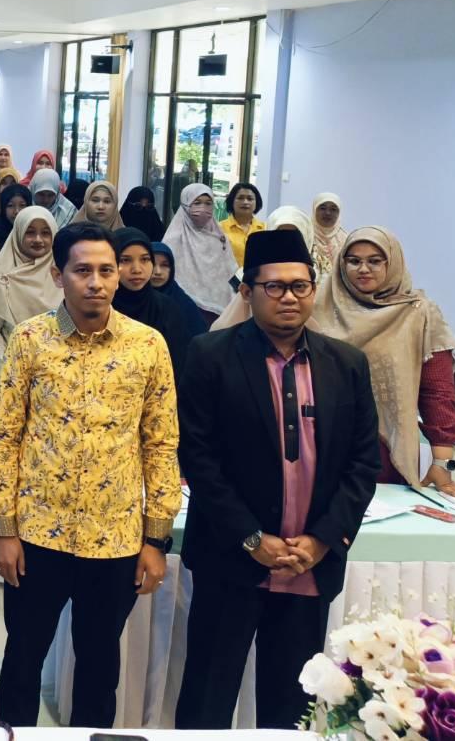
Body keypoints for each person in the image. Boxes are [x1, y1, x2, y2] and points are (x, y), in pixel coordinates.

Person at [175, 229, 380, 729]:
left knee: (291, 707)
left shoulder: (346, 363)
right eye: (275, 286)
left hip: (309, 563)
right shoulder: (210, 355)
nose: (290, 297)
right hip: (231, 559)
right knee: (207, 699)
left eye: (300, 285)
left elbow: (362, 462)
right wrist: (251, 538)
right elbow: (198, 458)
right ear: (248, 292)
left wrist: (322, 540)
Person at [0, 223, 181, 728]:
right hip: (37, 534)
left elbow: (161, 444)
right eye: (82, 271)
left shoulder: (147, 345)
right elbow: (4, 438)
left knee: (98, 667)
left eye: (106, 271)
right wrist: (3, 530)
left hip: (115, 538)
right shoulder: (30, 340)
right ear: (59, 275)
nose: (96, 282)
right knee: (22, 658)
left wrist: (155, 539)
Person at [316, 226, 455, 497]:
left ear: (392, 262)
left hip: (384, 447)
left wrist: (442, 464)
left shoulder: (418, 313)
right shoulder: (319, 305)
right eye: (354, 261)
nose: (363, 269)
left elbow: (437, 392)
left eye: (375, 261)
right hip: (317, 441)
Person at [0, 205, 60, 375]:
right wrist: (10, 370)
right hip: (13, 370)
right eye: (30, 232)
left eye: (45, 233)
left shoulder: (63, 275)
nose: (38, 239)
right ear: (18, 233)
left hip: (59, 372)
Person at [111, 227, 195, 375]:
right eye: (125, 260)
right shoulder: (100, 308)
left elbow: (179, 366)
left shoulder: (167, 309)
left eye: (145, 259)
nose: (137, 269)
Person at [163, 183, 239, 323]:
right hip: (183, 307)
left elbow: (230, 270)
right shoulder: (174, 238)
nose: (203, 208)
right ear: (185, 205)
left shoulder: (219, 237)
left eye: (208, 203)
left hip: (218, 310)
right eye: (197, 203)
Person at [148, 240, 209, 342]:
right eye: (152, 264)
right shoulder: (135, 300)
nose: (158, 272)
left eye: (164, 265)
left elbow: (201, 339)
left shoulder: (182, 302)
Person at [221, 181, 266, 266]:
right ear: (232, 201)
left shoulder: (265, 229)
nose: (245, 202)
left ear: (256, 202)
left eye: (250, 199)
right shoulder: (219, 228)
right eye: (240, 198)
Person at [311, 192, 348, 278]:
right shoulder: (305, 235)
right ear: (314, 209)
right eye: (322, 208)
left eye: (333, 209)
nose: (328, 213)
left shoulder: (345, 239)